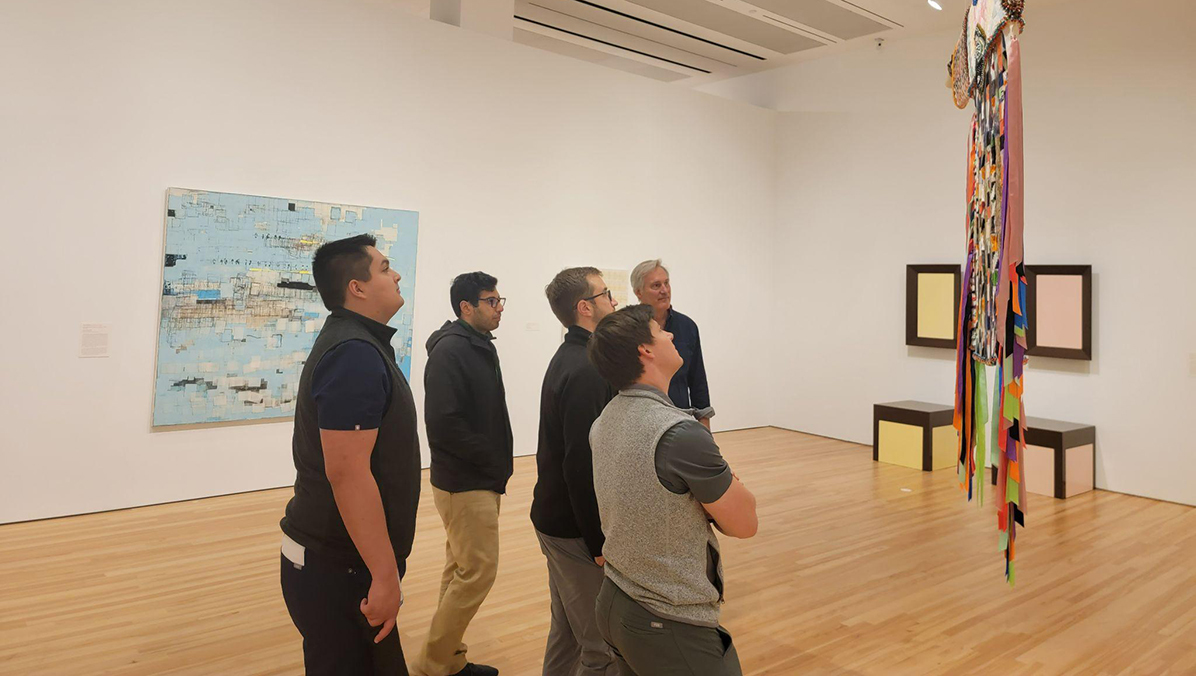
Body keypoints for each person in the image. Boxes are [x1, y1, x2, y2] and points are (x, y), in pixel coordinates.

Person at [587, 304, 758, 676]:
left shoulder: (604, 420)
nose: (670, 335)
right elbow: (745, 522)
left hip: (615, 600)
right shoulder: (679, 433)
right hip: (666, 620)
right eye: (660, 331)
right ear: (645, 351)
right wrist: (727, 491)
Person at [279, 234, 421, 675]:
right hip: (340, 568)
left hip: (339, 562)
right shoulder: (354, 354)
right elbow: (348, 475)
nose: (395, 274)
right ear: (356, 288)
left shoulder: (358, 343)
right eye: (383, 268)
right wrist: (383, 575)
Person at [412, 272, 512, 676]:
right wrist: (490, 460)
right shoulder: (452, 352)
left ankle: (448, 659)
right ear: (465, 307)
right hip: (466, 482)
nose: (499, 306)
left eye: (500, 299)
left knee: (460, 571)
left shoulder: (475, 346)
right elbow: (443, 423)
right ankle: (431, 663)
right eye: (491, 300)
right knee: (477, 574)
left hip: (472, 480)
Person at [530, 268, 620, 675]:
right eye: (607, 294)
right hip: (572, 530)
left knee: (566, 630)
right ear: (585, 307)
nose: (613, 301)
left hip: (555, 520)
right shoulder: (585, 369)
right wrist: (598, 541)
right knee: (600, 647)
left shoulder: (575, 357)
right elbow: (579, 464)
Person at [630, 259, 713, 430]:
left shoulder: (687, 326)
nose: (664, 290)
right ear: (638, 292)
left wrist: (704, 423)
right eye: (656, 285)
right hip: (641, 422)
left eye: (667, 283)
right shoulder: (627, 328)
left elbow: (697, 379)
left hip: (679, 420)